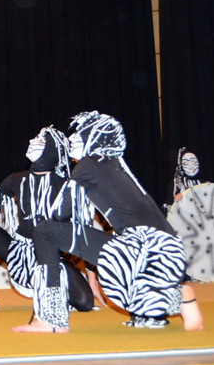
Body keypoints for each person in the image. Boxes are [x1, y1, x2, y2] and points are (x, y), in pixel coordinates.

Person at [13, 111, 204, 333]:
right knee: (123, 260)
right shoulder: (114, 164)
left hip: (142, 247)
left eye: (79, 134)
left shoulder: (87, 165)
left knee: (45, 231)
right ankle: (168, 306)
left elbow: (60, 213)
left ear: (95, 137)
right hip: (169, 250)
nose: (71, 138)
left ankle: (50, 318)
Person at [0, 127, 94, 315]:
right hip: (18, 253)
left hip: (50, 258)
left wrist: (92, 281)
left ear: (53, 150)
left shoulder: (68, 185)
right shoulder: (16, 179)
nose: (33, 141)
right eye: (36, 136)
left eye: (41, 139)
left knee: (85, 302)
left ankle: (54, 290)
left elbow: (84, 234)